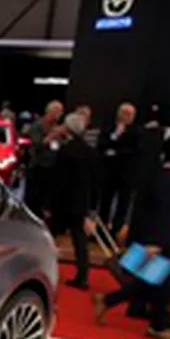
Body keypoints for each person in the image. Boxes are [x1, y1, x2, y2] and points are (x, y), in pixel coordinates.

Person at [93, 134, 170, 339]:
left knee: (156, 280)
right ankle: (157, 323)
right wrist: (154, 242)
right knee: (160, 280)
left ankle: (110, 300)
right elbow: (157, 213)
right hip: (165, 238)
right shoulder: (164, 179)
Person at [53, 112, 100, 290]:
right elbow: (96, 181)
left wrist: (50, 203)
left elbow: (59, 179)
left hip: (65, 200)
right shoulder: (91, 152)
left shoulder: (66, 151)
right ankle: (83, 275)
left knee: (49, 234)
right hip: (82, 201)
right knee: (80, 239)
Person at [97, 102, 141, 233]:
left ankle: (116, 230)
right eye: (125, 113)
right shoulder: (108, 127)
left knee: (123, 204)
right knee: (105, 202)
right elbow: (101, 144)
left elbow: (136, 150)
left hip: (126, 173)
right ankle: (101, 229)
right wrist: (115, 135)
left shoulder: (136, 132)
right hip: (109, 171)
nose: (128, 117)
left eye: (131, 115)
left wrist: (116, 152)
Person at [24, 100, 64, 217]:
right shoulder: (38, 126)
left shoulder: (57, 127)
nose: (59, 115)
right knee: (34, 195)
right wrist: (51, 136)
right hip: (38, 165)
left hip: (52, 165)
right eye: (58, 112)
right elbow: (36, 143)